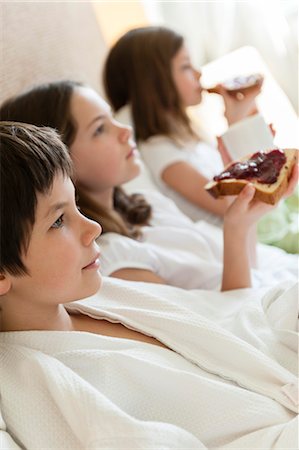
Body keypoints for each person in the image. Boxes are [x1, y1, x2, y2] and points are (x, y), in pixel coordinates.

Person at [0, 122, 298, 449]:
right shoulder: (38, 385)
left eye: (77, 207)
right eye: (58, 221)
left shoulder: (102, 295)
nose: (94, 228)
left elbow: (231, 316)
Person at [0, 82, 297, 290]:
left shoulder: (147, 203)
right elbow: (211, 324)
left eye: (113, 119)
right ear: (60, 159)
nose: (125, 130)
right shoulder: (109, 258)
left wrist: (244, 215)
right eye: (100, 129)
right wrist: (234, 229)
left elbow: (251, 271)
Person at [103, 26, 264, 225]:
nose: (198, 73)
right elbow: (232, 204)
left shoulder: (186, 134)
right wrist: (236, 123)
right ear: (155, 82)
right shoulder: (160, 150)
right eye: (186, 66)